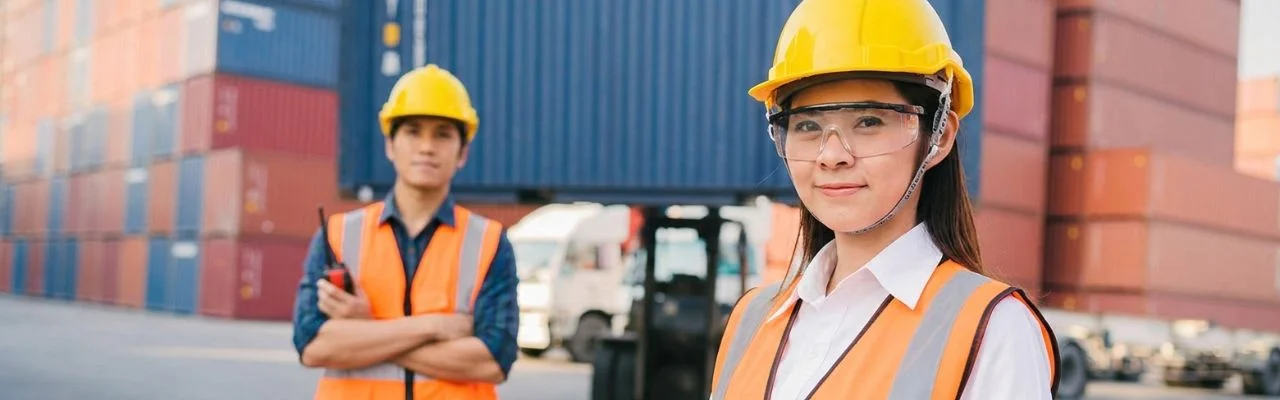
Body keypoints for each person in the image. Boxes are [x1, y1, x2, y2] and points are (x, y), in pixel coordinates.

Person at [709, 0, 1060, 399]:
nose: (831, 154)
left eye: (868, 122)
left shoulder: (991, 329)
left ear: (939, 136)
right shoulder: (752, 319)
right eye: (808, 125)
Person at [291, 64, 519, 400]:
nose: (427, 146)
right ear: (390, 145)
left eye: (442, 134)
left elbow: (492, 362)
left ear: (462, 152)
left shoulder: (489, 243)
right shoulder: (337, 236)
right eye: (413, 131)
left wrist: (366, 331)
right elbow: (312, 346)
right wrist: (435, 326)